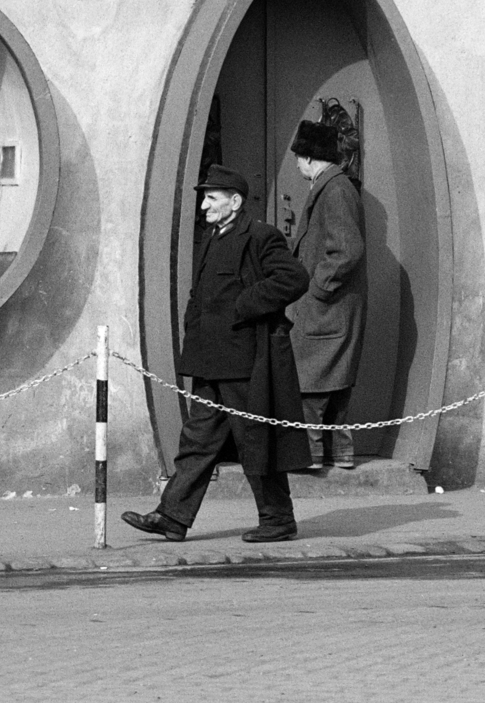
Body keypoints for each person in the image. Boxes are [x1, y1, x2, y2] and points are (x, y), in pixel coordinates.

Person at [122, 165, 311, 543]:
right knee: (198, 440)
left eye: (211, 198)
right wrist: (194, 329)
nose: (204, 205)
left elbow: (294, 279)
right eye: (203, 197)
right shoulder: (211, 236)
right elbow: (202, 295)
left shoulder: (261, 237)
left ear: (235, 202)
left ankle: (278, 519)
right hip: (212, 360)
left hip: (245, 362)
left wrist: (245, 305)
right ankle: (172, 516)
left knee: (255, 438)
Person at [287, 119, 367, 468]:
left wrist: (316, 289)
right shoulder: (335, 186)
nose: (296, 164)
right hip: (335, 307)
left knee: (313, 380)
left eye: (297, 157)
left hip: (327, 306)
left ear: (308, 157)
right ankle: (339, 454)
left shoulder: (333, 190)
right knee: (332, 381)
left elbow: (347, 249)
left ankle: (315, 456)